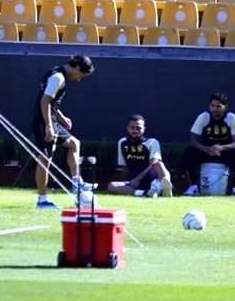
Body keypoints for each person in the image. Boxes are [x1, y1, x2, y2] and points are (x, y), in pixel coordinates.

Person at [32, 55, 95, 209]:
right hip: (43, 122)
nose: (79, 79)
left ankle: (76, 183)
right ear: (78, 68)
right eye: (81, 75)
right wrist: (49, 126)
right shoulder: (58, 77)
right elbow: (44, 101)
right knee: (45, 158)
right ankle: (42, 200)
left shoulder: (55, 72)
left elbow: (51, 102)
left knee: (74, 143)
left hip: (51, 120)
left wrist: (61, 117)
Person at [180, 92, 235, 197]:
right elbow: (193, 140)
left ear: (225, 107)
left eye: (219, 106)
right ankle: (193, 187)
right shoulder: (203, 117)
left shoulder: (231, 118)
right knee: (189, 151)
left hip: (225, 153)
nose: (215, 109)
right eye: (212, 106)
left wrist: (221, 148)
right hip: (207, 152)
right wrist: (207, 149)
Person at [107, 114, 173, 198]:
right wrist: (127, 183)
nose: (135, 130)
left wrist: (138, 178)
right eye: (132, 127)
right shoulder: (122, 142)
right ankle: (143, 193)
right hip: (134, 182)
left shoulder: (152, 142)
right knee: (111, 185)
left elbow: (153, 163)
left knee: (159, 164)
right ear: (127, 128)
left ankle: (165, 188)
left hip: (152, 180)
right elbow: (124, 167)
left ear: (144, 129)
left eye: (138, 128)